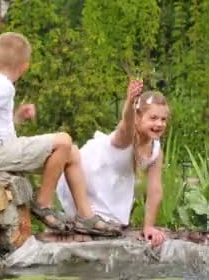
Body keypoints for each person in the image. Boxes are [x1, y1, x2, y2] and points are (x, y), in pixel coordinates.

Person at [0, 32, 121, 236]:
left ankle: (86, 216)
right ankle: (43, 204)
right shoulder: (4, 86)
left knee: (72, 152)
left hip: (0, 148)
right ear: (25, 66)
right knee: (63, 140)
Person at [56, 80, 168, 246]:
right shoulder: (126, 138)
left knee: (113, 226)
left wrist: (148, 226)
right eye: (153, 118)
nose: (159, 124)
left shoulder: (156, 151)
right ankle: (84, 219)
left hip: (109, 183)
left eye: (163, 119)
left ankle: (96, 222)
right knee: (93, 223)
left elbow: (155, 190)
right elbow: (126, 124)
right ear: (138, 117)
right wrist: (130, 102)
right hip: (87, 174)